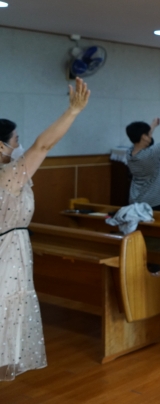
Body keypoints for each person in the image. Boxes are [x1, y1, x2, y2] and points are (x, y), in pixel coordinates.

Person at [1, 77, 90, 381]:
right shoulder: (8, 176)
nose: (19, 145)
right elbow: (43, 145)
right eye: (15, 140)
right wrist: (72, 111)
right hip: (6, 256)